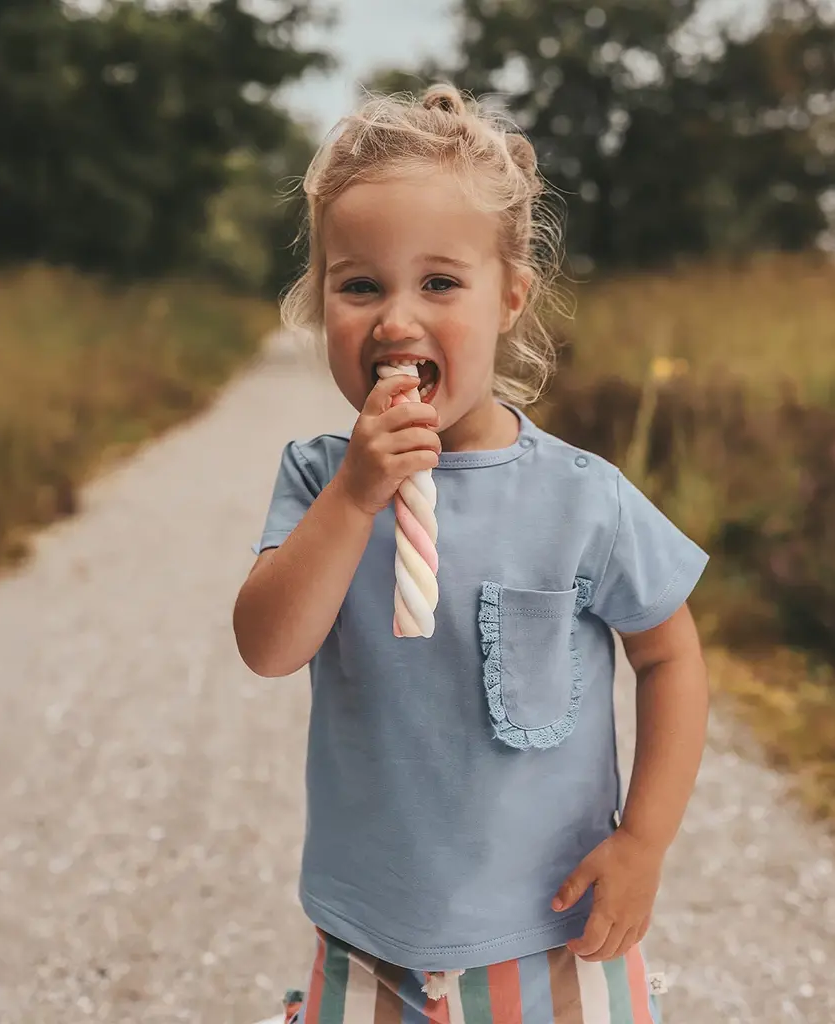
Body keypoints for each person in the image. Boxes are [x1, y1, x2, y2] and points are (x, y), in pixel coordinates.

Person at [233, 83, 710, 1024]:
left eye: (440, 283)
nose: (397, 320)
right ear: (318, 297)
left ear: (509, 299)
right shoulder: (319, 476)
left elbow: (670, 657)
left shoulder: (582, 498)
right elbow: (268, 645)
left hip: (551, 933)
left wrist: (643, 844)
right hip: (370, 934)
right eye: (359, 284)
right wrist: (357, 497)